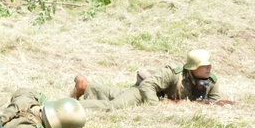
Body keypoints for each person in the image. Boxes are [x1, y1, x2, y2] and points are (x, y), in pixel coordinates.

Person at [71, 49, 223, 110]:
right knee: (113, 107)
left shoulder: (211, 81)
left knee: (119, 95)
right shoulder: (174, 73)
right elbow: (147, 86)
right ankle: (71, 106)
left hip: (156, 97)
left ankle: (86, 87)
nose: (208, 68)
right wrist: (155, 106)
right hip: (143, 93)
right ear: (192, 67)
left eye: (209, 65)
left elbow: (215, 104)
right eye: (204, 66)